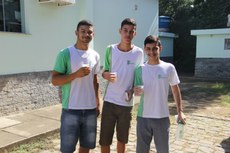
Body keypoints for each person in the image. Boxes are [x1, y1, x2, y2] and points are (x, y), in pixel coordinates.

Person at [51, 20, 100, 153]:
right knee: (67, 149)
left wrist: (97, 103)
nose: (86, 34)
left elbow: (95, 80)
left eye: (89, 32)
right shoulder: (65, 53)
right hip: (71, 109)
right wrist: (76, 74)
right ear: (76, 33)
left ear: (93, 34)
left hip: (90, 109)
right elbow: (54, 80)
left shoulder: (95, 55)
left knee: (86, 146)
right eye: (83, 31)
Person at [134, 35, 186, 153]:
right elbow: (136, 94)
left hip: (162, 117)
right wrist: (134, 92)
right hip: (143, 117)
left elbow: (175, 90)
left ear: (160, 48)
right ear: (145, 49)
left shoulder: (169, 68)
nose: (151, 52)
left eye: (154, 48)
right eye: (148, 49)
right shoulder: (139, 69)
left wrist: (180, 111)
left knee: (163, 151)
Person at [99, 18, 144, 153]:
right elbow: (105, 71)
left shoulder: (139, 53)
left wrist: (134, 89)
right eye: (125, 31)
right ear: (120, 31)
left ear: (134, 34)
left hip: (126, 104)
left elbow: (138, 76)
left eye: (131, 32)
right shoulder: (110, 49)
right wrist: (105, 75)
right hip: (109, 102)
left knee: (122, 139)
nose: (128, 34)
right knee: (105, 140)